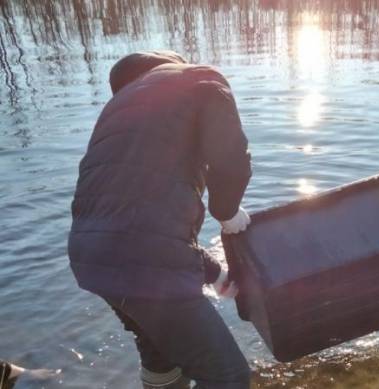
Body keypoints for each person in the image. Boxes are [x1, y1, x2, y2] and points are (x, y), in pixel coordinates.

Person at [68, 51, 252, 389]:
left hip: (89, 259)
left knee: (160, 356)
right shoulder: (202, 80)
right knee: (228, 376)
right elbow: (230, 159)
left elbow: (136, 220)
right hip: (142, 261)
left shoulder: (117, 116)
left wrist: (215, 274)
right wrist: (227, 213)